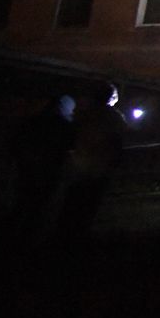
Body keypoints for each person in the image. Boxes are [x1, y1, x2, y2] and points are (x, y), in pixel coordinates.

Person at [56, 81, 126, 238]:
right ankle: (76, 234)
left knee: (72, 202)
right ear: (111, 97)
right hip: (99, 167)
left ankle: (63, 234)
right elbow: (118, 141)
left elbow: (71, 136)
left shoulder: (83, 113)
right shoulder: (114, 117)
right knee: (88, 204)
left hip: (80, 164)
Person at [12, 94, 76, 239]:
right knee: (39, 206)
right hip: (49, 171)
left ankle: (12, 234)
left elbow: (17, 142)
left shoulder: (33, 121)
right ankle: (29, 237)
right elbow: (70, 148)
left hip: (28, 168)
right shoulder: (65, 126)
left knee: (21, 203)